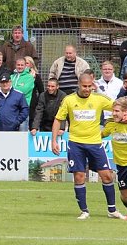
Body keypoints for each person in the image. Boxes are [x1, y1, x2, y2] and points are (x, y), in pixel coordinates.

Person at [51, 72, 122, 220]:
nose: (87, 89)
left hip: (95, 143)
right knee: (79, 176)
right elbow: (58, 120)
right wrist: (53, 140)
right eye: (84, 86)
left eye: (90, 86)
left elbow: (117, 107)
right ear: (79, 84)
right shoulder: (69, 100)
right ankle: (84, 211)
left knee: (107, 175)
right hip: (76, 143)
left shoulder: (99, 99)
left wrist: (121, 119)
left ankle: (112, 210)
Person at [9, 57, 39, 131]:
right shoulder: (12, 76)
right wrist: (19, 87)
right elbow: (6, 89)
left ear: (25, 66)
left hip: (23, 107)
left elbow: (24, 90)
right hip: (12, 107)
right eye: (18, 65)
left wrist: (13, 88)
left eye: (22, 65)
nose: (20, 67)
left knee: (23, 129)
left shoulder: (30, 77)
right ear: (15, 65)